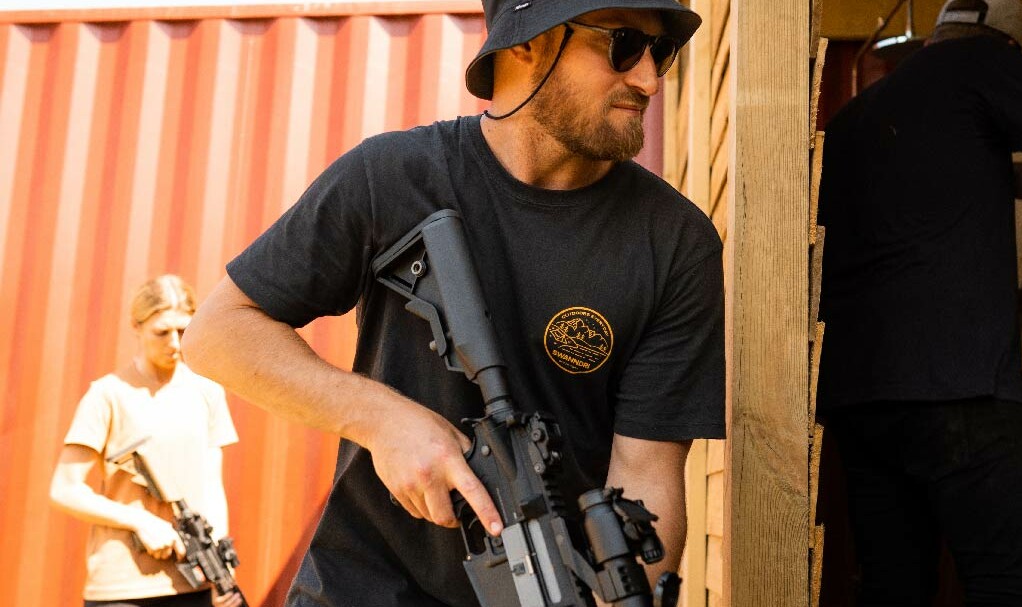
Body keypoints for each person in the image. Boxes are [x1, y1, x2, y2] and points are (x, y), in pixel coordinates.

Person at [181, 0, 726, 605]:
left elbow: (646, 474)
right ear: (527, 44)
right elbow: (217, 332)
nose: (649, 79)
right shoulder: (393, 176)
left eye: (661, 52)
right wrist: (383, 420)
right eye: (624, 44)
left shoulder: (676, 242)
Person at [817, 0, 1022, 604]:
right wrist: (1000, 173)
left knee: (894, 589)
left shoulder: (854, 116)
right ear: (1007, 43)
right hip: (962, 387)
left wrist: (977, 168)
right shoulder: (987, 61)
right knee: (1014, 590)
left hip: (862, 401)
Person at [50, 275, 243, 607]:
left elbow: (212, 487)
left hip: (192, 584)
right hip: (123, 588)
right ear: (136, 327)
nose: (174, 343)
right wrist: (141, 521)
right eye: (161, 332)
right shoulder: (108, 394)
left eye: (183, 331)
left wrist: (221, 568)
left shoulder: (207, 392)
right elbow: (65, 490)